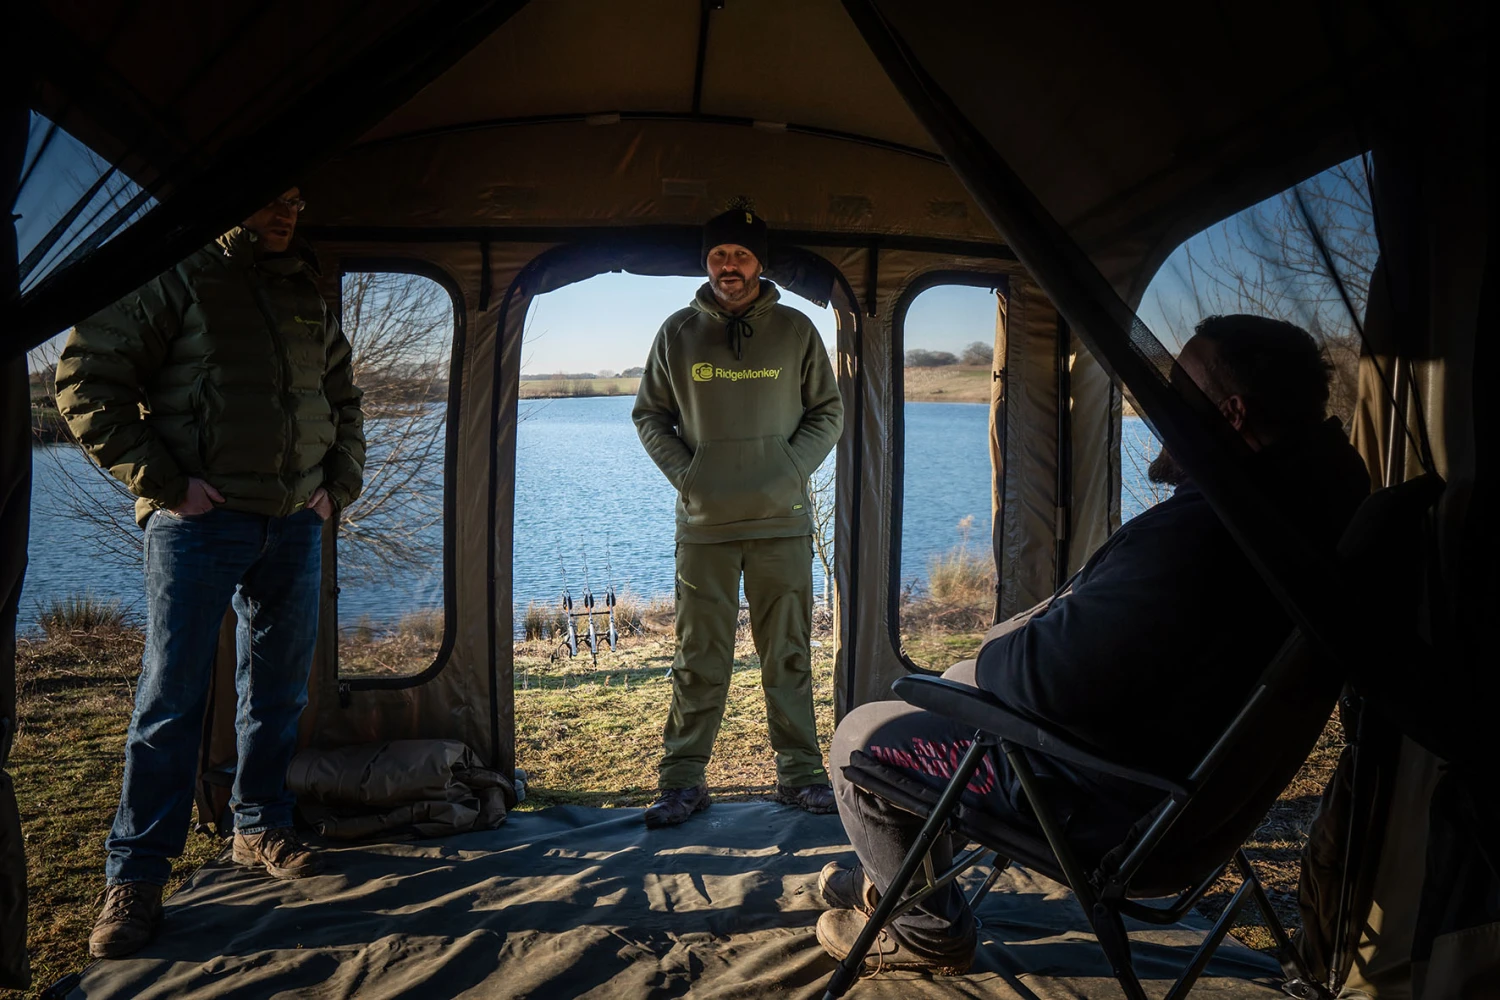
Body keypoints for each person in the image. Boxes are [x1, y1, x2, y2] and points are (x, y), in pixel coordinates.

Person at [815, 315, 1371, 974]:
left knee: (863, 734)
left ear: (1232, 413)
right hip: (1190, 807)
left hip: (1098, 804)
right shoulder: (1315, 511)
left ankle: (925, 930)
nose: (1157, 405)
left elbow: (1043, 679)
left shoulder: (1205, 539)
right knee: (951, 691)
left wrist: (994, 652)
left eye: (1175, 391)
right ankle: (891, 885)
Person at [54, 189, 365, 958]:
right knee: (172, 696)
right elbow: (86, 383)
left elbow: (344, 400)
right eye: (271, 198)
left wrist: (337, 486)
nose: (286, 212)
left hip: (293, 522)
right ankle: (135, 877)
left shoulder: (301, 291)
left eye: (296, 201)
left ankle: (258, 826)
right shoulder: (176, 273)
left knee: (280, 688)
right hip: (197, 520)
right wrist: (166, 484)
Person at [632, 202, 844, 828]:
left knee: (789, 654)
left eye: (741, 255)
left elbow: (828, 411)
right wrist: (690, 477)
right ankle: (681, 781)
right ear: (707, 262)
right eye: (719, 254)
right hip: (706, 527)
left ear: (759, 262)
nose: (730, 265)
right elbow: (650, 416)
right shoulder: (677, 333)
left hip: (782, 521)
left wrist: (788, 468)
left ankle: (800, 775)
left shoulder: (797, 330)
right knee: (698, 656)